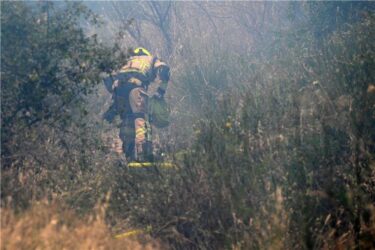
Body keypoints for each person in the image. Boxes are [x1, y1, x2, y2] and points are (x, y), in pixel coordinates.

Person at [103, 47, 170, 163]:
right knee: (141, 119)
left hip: (119, 91)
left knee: (127, 122)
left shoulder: (124, 61)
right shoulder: (151, 59)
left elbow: (107, 77)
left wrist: (114, 93)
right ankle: (143, 153)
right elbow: (164, 69)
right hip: (136, 89)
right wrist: (161, 91)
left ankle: (126, 156)